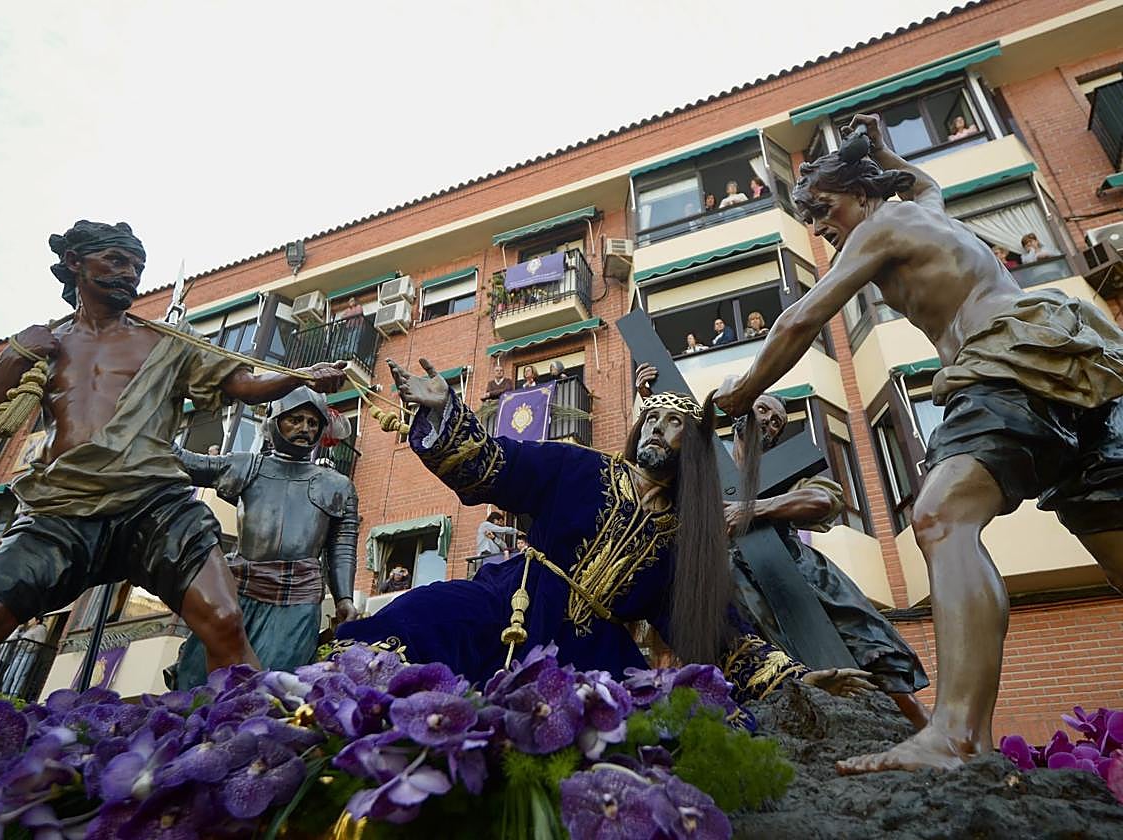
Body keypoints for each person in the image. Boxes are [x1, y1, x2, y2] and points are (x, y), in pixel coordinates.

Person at [713, 113, 1123, 773]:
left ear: (858, 196)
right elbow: (924, 180)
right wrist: (881, 150)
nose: (821, 229)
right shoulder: (926, 210)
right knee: (1114, 538)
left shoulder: (883, 226)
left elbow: (801, 319)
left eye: (823, 212)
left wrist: (737, 394)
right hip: (1079, 366)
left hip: (1007, 361)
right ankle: (960, 737)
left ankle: (955, 734)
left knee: (939, 517)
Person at [0, 220, 347, 735]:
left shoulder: (166, 341)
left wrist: (299, 376)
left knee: (223, 619)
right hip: (64, 505)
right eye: (117, 262)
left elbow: (242, 383)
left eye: (137, 268)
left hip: (155, 501)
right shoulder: (44, 345)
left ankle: (252, 744)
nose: (130, 275)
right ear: (76, 263)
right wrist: (13, 355)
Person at [337, 358, 873, 706]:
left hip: (597, 649)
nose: (659, 429)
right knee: (422, 616)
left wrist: (794, 678)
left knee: (652, 728)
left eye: (674, 425)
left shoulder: (684, 542)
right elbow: (492, 465)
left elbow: (715, 633)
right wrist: (444, 410)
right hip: (517, 602)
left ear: (692, 450)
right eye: (653, 420)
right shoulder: (580, 467)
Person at [726, 389, 930, 728]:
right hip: (739, 583)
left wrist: (751, 509)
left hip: (800, 570)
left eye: (776, 420)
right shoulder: (707, 468)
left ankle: (934, 735)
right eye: (761, 409)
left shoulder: (787, 468)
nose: (767, 421)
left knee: (870, 644)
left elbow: (823, 499)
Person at [172, 387, 358, 688]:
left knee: (277, 689)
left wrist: (344, 597)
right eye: (295, 419)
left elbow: (342, 546)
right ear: (275, 421)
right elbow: (182, 462)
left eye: (313, 423)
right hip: (240, 588)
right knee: (201, 683)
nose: (305, 429)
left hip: (298, 599)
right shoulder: (247, 466)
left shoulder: (338, 485)